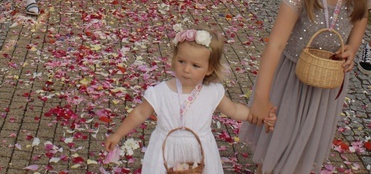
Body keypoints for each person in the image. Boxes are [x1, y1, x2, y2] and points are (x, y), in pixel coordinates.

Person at [242, 0, 370, 174]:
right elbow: (276, 44)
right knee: (279, 131)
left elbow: (361, 18)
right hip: (291, 77)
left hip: (326, 81)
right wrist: (261, 97)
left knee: (309, 134)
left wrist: (352, 47)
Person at [103, 28, 268, 173]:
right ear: (174, 59)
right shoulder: (160, 92)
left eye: (195, 66)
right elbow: (140, 113)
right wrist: (118, 134)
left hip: (199, 151)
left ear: (209, 69)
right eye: (181, 61)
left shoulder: (212, 92)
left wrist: (258, 115)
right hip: (166, 151)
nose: (187, 69)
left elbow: (234, 110)